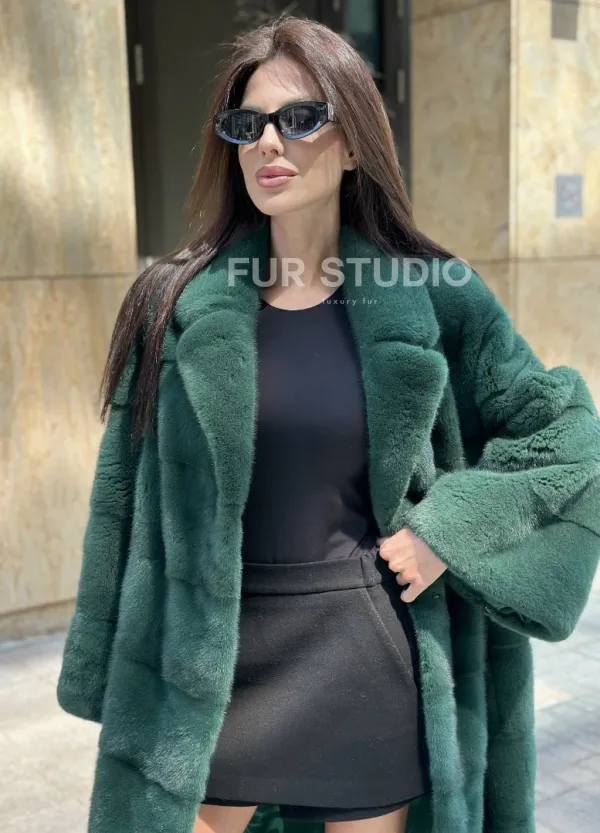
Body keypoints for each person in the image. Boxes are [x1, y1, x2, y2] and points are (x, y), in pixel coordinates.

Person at [56, 15, 600, 833]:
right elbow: (124, 501)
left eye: (301, 118)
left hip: (363, 654)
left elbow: (566, 435)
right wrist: (104, 665)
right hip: (212, 662)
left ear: (352, 146)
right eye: (248, 126)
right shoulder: (174, 303)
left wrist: (449, 529)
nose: (269, 143)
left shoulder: (434, 295)